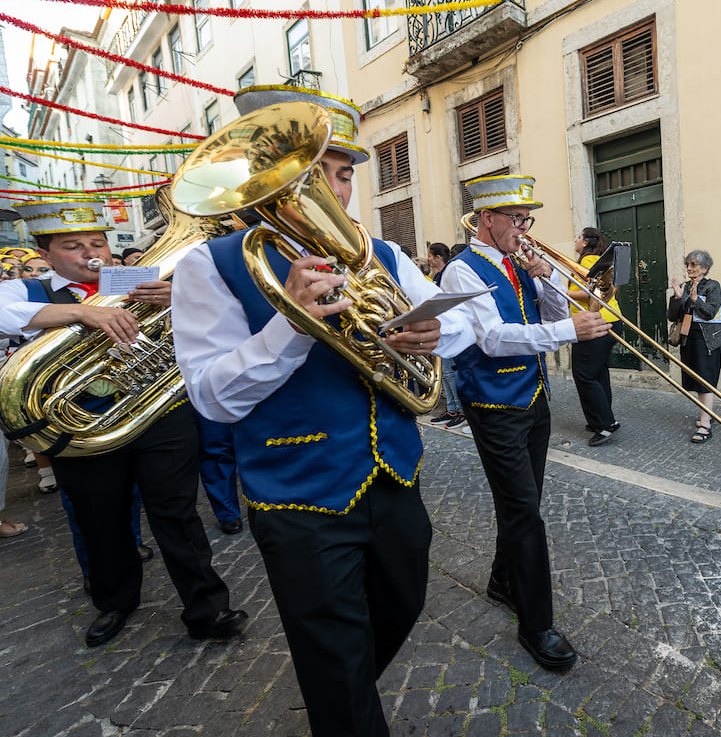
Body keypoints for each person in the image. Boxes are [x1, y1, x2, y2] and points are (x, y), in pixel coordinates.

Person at [172, 85, 475, 737]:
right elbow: (211, 396)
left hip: (394, 473)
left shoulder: (381, 253)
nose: (334, 191)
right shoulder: (212, 265)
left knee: (402, 603)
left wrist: (432, 333)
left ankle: (342, 691)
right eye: (316, 173)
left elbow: (458, 323)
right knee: (335, 665)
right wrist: (292, 324)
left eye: (342, 175)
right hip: (299, 494)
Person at [0, 200, 246, 648]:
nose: (90, 253)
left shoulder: (135, 278)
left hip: (160, 415)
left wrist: (183, 298)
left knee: (178, 514)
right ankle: (115, 602)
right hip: (83, 426)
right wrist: (81, 312)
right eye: (73, 246)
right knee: (100, 519)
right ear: (46, 253)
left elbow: (218, 311)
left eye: (97, 243)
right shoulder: (29, 289)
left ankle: (208, 608)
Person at [440, 174, 609, 670]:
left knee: (524, 502)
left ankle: (502, 580)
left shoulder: (518, 262)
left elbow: (557, 312)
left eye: (526, 220)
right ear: (486, 219)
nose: (523, 228)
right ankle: (537, 625)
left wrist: (546, 277)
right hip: (494, 405)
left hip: (533, 396)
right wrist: (567, 329)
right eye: (515, 219)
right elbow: (493, 338)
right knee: (524, 514)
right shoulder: (462, 271)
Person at [567, 227, 623, 446]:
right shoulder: (597, 260)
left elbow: (595, 290)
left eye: (578, 237)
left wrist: (566, 293)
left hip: (595, 322)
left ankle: (606, 424)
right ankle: (599, 419)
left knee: (584, 374)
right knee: (598, 372)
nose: (575, 240)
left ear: (585, 242)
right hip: (609, 319)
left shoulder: (588, 260)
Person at [667, 250, 721, 444]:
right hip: (689, 338)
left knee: (705, 380)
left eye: (693, 264)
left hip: (707, 340)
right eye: (687, 264)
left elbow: (710, 312)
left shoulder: (713, 286)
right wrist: (678, 297)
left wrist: (695, 300)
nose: (689, 268)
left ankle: (705, 424)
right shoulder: (684, 286)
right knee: (695, 380)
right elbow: (672, 316)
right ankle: (707, 414)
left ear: (705, 268)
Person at [426, 242, 467, 431]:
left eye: (430, 255)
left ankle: (460, 411)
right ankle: (452, 409)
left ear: (438, 257)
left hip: (450, 330)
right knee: (445, 374)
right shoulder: (437, 276)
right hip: (440, 328)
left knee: (451, 374)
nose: (427, 259)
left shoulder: (449, 275)